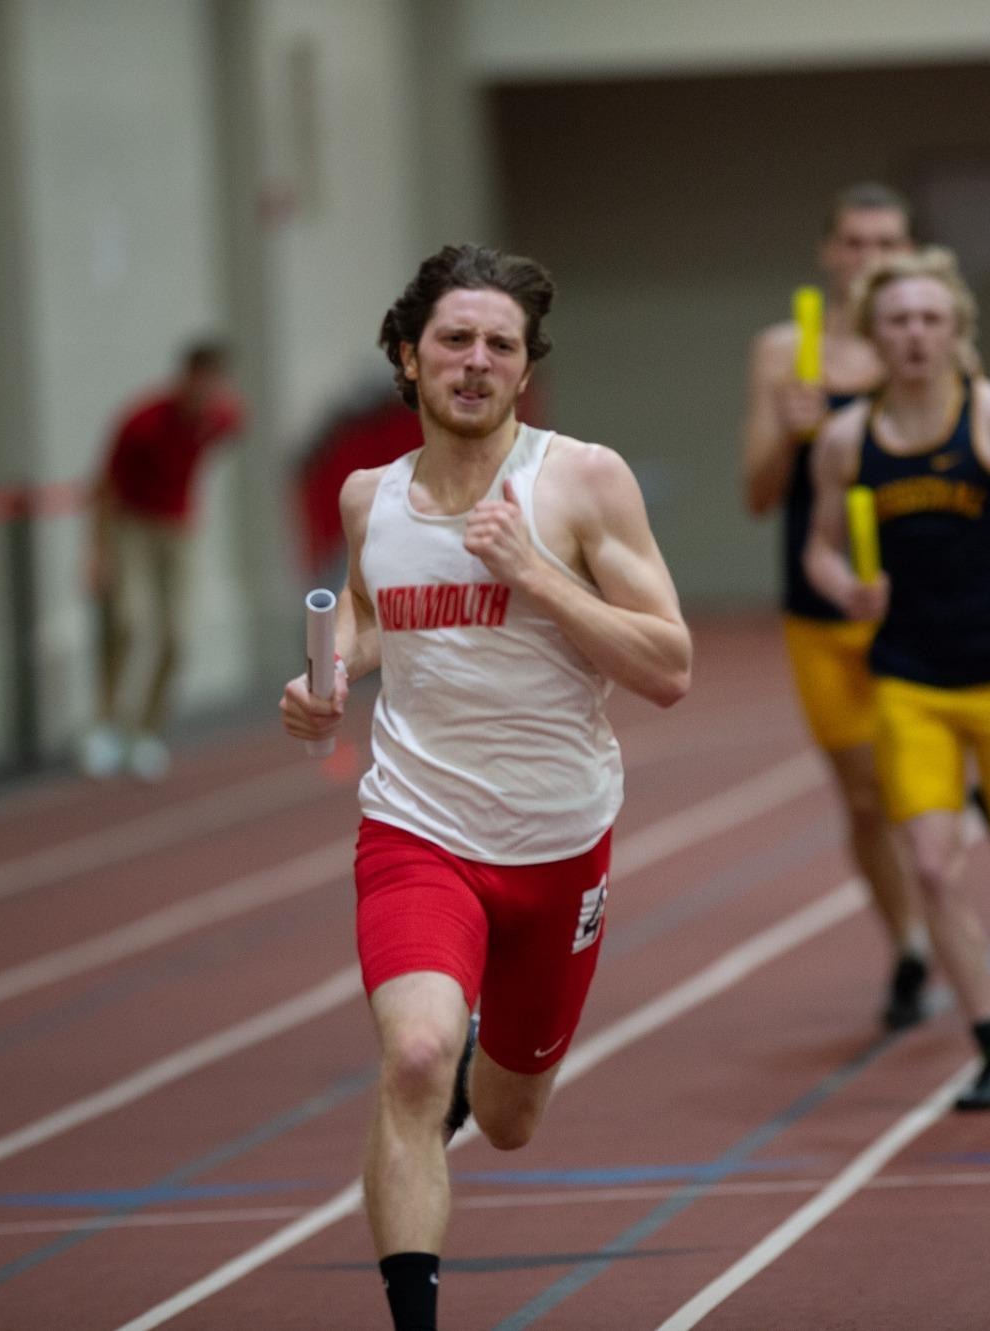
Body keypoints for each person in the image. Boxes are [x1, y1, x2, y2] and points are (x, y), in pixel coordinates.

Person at [280, 244, 691, 1331]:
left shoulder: (581, 481)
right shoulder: (369, 496)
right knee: (413, 1056)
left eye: (498, 345)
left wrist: (534, 572)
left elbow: (667, 667)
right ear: (407, 359)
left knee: (506, 1117)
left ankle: (476, 1077)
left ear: (524, 367)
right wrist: (325, 679)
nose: (475, 362)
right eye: (454, 341)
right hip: (416, 830)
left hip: (558, 846)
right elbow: (372, 615)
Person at [805, 247, 990, 1110]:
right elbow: (818, 547)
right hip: (908, 683)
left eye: (931, 319)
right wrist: (845, 587)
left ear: (956, 331)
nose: (914, 335)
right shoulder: (845, 439)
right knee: (932, 869)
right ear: (873, 335)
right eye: (898, 320)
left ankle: (986, 803)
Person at [741, 182, 931, 1030]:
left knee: (912, 787)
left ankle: (936, 908)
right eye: (855, 243)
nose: (870, 260)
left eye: (888, 244)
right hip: (819, 606)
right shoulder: (787, 352)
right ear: (829, 253)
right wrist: (789, 427)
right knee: (863, 799)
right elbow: (755, 494)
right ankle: (912, 947)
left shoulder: (927, 342)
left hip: (911, 601)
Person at [80, 341, 245, 781]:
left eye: (217, 385)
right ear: (185, 379)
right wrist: (96, 553)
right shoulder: (143, 422)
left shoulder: (223, 418)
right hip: (132, 525)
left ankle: (145, 733)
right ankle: (107, 726)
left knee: (177, 635)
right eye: (201, 383)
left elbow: (229, 430)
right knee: (128, 621)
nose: (208, 394)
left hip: (178, 530)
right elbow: (103, 488)